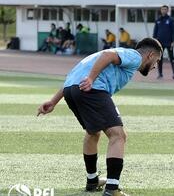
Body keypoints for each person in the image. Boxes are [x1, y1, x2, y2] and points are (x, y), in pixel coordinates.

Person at [37, 38, 163, 196]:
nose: (155, 66)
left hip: (71, 89)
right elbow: (108, 55)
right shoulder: (135, 56)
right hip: (93, 89)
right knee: (118, 135)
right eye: (157, 61)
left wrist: (53, 101)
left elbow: (74, 77)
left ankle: (92, 181)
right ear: (150, 55)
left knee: (93, 132)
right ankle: (112, 188)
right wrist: (91, 79)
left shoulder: (102, 56)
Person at [153, 5, 174, 79]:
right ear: (161, 10)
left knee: (171, 57)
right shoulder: (158, 20)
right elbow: (155, 32)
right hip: (160, 43)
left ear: (167, 10)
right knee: (159, 58)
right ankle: (160, 74)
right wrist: (154, 41)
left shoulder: (171, 20)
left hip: (169, 42)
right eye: (162, 9)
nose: (163, 10)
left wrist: (173, 41)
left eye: (165, 9)